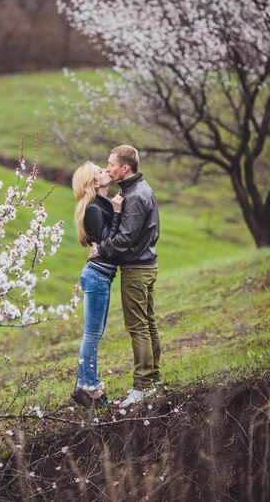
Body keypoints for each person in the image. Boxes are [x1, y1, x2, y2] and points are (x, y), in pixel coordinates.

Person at [89, 145, 161, 408]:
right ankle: (153, 380)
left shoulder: (134, 196)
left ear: (125, 168)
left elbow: (124, 240)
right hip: (147, 265)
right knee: (148, 323)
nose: (108, 168)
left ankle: (143, 387)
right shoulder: (140, 189)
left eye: (111, 164)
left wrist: (100, 249)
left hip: (136, 270)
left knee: (137, 326)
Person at [71, 161, 123, 409]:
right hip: (97, 275)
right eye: (101, 171)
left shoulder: (101, 204)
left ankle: (83, 386)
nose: (106, 172)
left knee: (95, 334)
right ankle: (91, 387)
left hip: (101, 275)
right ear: (94, 182)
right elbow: (108, 242)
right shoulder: (94, 208)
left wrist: (114, 209)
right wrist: (117, 212)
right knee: (92, 335)